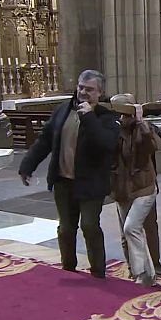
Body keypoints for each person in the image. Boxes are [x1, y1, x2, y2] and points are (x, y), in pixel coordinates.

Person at [18, 70, 119, 278]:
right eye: (81, 87)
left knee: (90, 226)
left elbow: (105, 145)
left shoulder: (106, 117)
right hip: (63, 181)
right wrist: (28, 165)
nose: (83, 92)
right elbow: (45, 140)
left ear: (100, 92)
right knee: (65, 229)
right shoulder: (62, 110)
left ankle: (98, 273)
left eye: (89, 89)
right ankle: (69, 268)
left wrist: (89, 116)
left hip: (91, 183)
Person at [110, 93, 161, 286]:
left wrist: (141, 122)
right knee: (126, 234)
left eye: (126, 114)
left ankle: (144, 273)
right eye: (120, 115)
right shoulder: (114, 130)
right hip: (121, 188)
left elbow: (156, 145)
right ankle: (137, 272)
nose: (122, 119)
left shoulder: (143, 128)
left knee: (132, 227)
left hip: (143, 188)